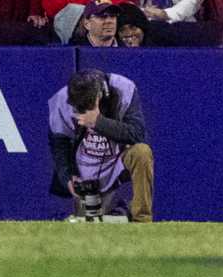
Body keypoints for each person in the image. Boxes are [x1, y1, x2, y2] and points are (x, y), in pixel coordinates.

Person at [51, 69, 154, 222]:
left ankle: (142, 220)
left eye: (89, 106)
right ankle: (121, 213)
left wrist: (98, 122)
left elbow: (138, 135)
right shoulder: (61, 100)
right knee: (87, 225)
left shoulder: (124, 89)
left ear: (100, 96)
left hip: (117, 161)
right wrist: (68, 176)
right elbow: (59, 144)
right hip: (83, 167)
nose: (84, 111)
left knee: (142, 152)